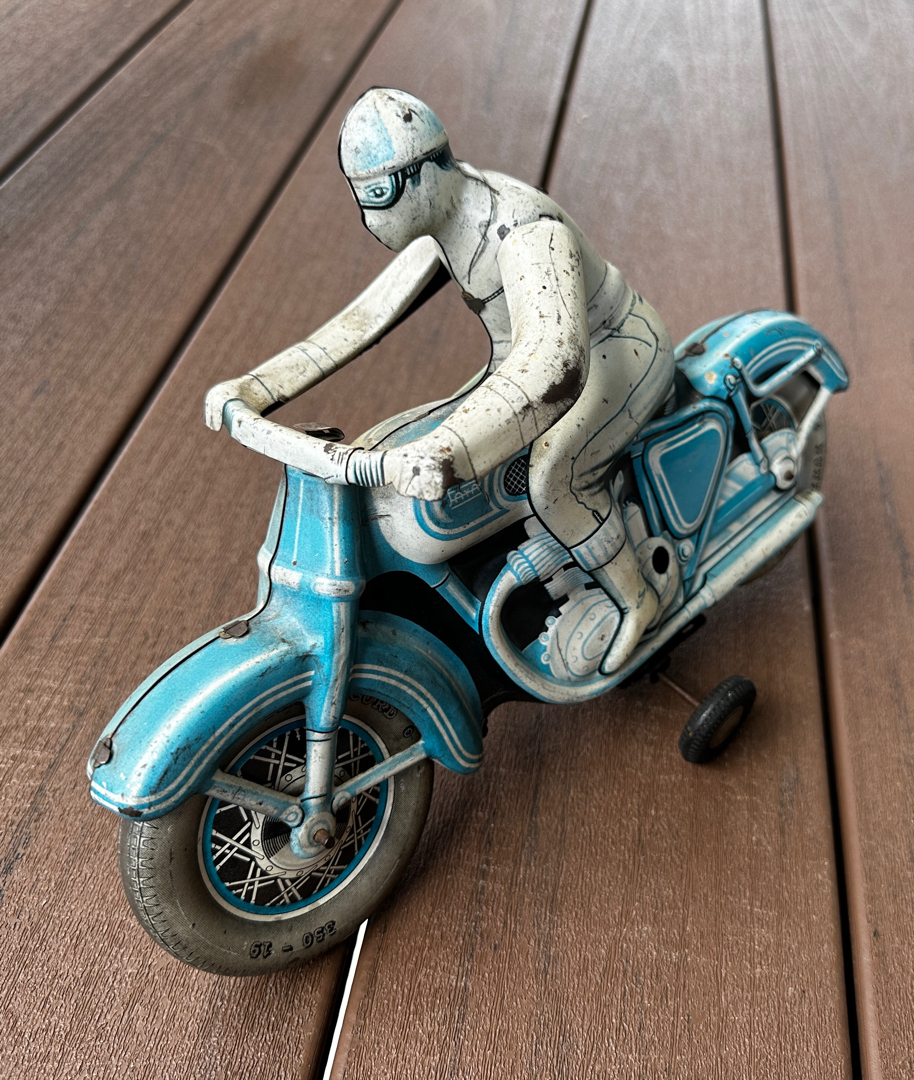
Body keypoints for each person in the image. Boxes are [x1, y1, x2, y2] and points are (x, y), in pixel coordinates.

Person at [205, 88, 674, 674]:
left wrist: (446, 448)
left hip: (614, 351)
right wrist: (255, 387)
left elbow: (553, 362)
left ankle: (636, 598)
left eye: (380, 196)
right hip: (520, 364)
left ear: (425, 172)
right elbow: (363, 320)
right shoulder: (446, 220)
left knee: (552, 475)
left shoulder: (524, 231)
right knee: (403, 437)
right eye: (361, 198)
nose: (370, 219)